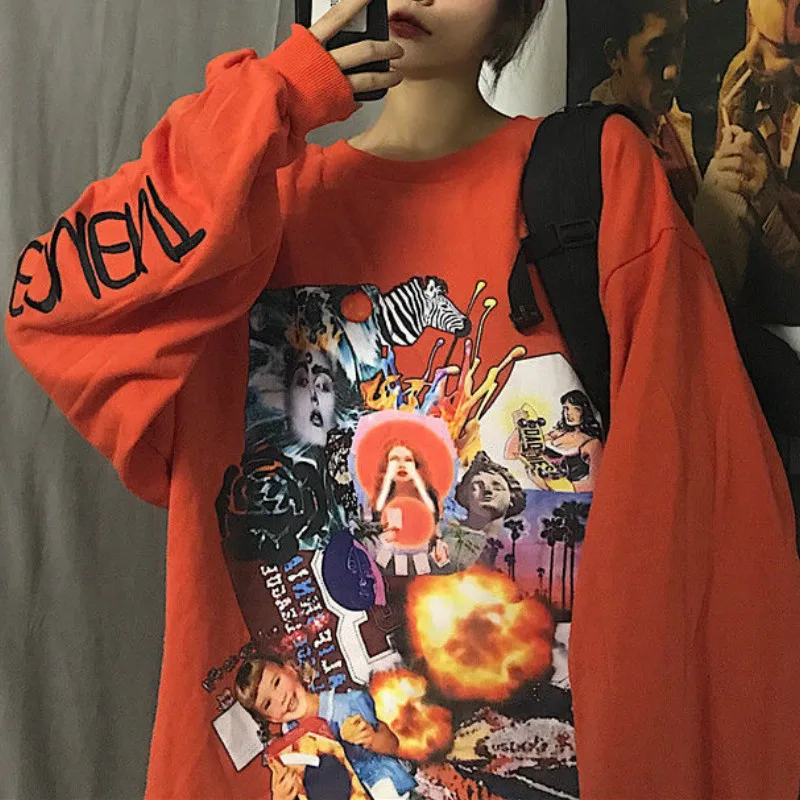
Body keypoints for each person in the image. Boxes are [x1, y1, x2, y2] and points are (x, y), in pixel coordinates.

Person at [5, 1, 800, 799]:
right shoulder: (253, 206)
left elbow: (714, 530)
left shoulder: (592, 181)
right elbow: (50, 310)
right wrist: (270, 99)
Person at [693, 0, 800, 544]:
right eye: (753, 31)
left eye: (775, 48)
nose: (754, 56)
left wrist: (766, 197)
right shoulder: (750, 86)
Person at [234, 654, 415, 799]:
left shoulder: (348, 705)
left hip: (389, 791)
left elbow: (393, 745)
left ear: (290, 670)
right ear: (270, 718)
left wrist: (371, 738)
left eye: (277, 682)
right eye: (267, 704)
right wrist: (282, 796)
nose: (280, 698)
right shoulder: (288, 748)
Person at [590, 0, 701, 221]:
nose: (672, 70)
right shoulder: (599, 154)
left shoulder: (668, 120)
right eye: (655, 52)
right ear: (614, 56)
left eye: (679, 40)